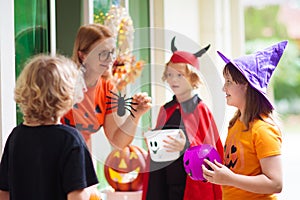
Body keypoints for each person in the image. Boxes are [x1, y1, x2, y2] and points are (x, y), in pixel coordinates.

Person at [0, 54, 99, 200]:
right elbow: (77, 196)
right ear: (66, 95)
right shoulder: (70, 140)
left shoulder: (16, 136)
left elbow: (4, 193)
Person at [202, 40, 288, 200]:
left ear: (246, 86)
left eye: (229, 82)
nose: (223, 88)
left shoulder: (262, 130)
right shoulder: (235, 124)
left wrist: (229, 178)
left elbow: (276, 183)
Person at [142, 37, 224, 200]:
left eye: (180, 75)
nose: (173, 80)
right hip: (165, 183)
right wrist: (153, 140)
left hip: (188, 185)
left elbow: (209, 153)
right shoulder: (167, 109)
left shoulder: (201, 110)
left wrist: (186, 146)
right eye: (170, 74)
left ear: (193, 78)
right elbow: (160, 149)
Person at [61, 23, 152, 150]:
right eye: (103, 53)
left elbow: (117, 142)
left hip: (81, 159)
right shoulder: (63, 83)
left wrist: (135, 115)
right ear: (83, 55)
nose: (110, 60)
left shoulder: (107, 88)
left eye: (112, 53)